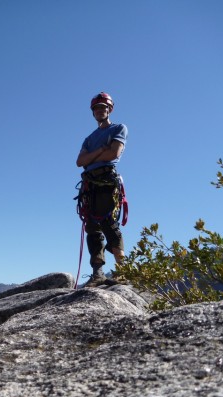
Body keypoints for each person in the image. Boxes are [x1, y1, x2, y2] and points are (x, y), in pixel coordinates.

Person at [76, 92, 127, 286]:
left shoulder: (119, 128)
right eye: (96, 109)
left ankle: (123, 271)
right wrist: (100, 151)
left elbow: (114, 153)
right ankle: (98, 273)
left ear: (109, 109)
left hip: (106, 180)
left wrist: (93, 157)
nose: (99, 111)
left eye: (103, 108)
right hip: (90, 184)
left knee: (108, 223)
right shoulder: (89, 139)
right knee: (92, 227)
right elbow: (80, 161)